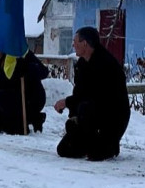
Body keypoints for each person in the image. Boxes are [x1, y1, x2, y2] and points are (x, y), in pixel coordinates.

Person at [53, 27, 130, 161]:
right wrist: (73, 117)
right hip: (89, 116)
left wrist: (67, 102)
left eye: (75, 41)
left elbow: (99, 99)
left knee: (96, 153)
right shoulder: (82, 65)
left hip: (112, 117)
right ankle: (87, 140)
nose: (73, 45)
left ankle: (109, 144)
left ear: (85, 44)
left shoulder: (107, 65)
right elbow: (78, 93)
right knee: (64, 150)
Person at [0, 47, 48, 134]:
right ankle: (30, 118)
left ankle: (32, 117)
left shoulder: (20, 53)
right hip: (12, 98)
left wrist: (26, 67)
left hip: (31, 97)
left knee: (15, 130)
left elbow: (44, 72)